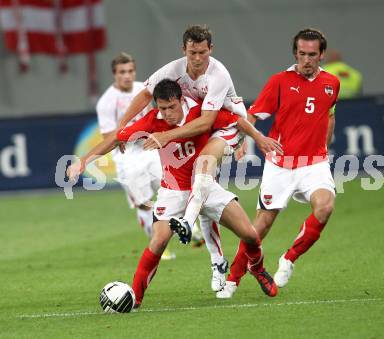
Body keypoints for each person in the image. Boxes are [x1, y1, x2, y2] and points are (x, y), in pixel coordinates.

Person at [67, 79, 277, 306]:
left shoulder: (200, 111)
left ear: (181, 100)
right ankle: (135, 298)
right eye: (162, 108)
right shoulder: (152, 121)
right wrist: (83, 161)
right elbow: (116, 137)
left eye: (171, 107)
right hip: (172, 192)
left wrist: (259, 137)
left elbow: (238, 121)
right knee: (158, 242)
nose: (167, 113)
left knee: (250, 235)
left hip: (205, 187)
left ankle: (258, 269)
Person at [117, 25, 281, 244]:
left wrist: (255, 136)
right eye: (192, 52)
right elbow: (147, 92)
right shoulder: (173, 70)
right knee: (203, 185)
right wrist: (122, 124)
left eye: (202, 52)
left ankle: (187, 221)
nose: (196, 58)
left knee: (203, 165)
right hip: (210, 122)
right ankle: (217, 265)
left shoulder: (218, 75)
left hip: (230, 126)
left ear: (211, 49)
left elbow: (207, 122)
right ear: (183, 49)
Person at [217, 28, 340, 298]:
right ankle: (233, 280)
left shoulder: (332, 83)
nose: (306, 60)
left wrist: (325, 145)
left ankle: (289, 258)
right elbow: (253, 115)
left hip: (314, 164)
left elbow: (329, 114)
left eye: (312, 55)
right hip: (280, 164)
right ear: (295, 53)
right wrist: (240, 143)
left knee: (325, 207)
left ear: (321, 55)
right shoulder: (280, 82)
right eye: (302, 54)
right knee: (259, 227)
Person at [95, 52, 175, 259]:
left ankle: (189, 229)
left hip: (149, 148)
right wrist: (126, 137)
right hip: (127, 156)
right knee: (143, 202)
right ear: (115, 74)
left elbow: (156, 114)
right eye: (122, 72)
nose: (127, 76)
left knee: (172, 187)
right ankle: (158, 244)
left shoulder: (144, 90)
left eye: (130, 71)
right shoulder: (106, 101)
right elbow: (107, 135)